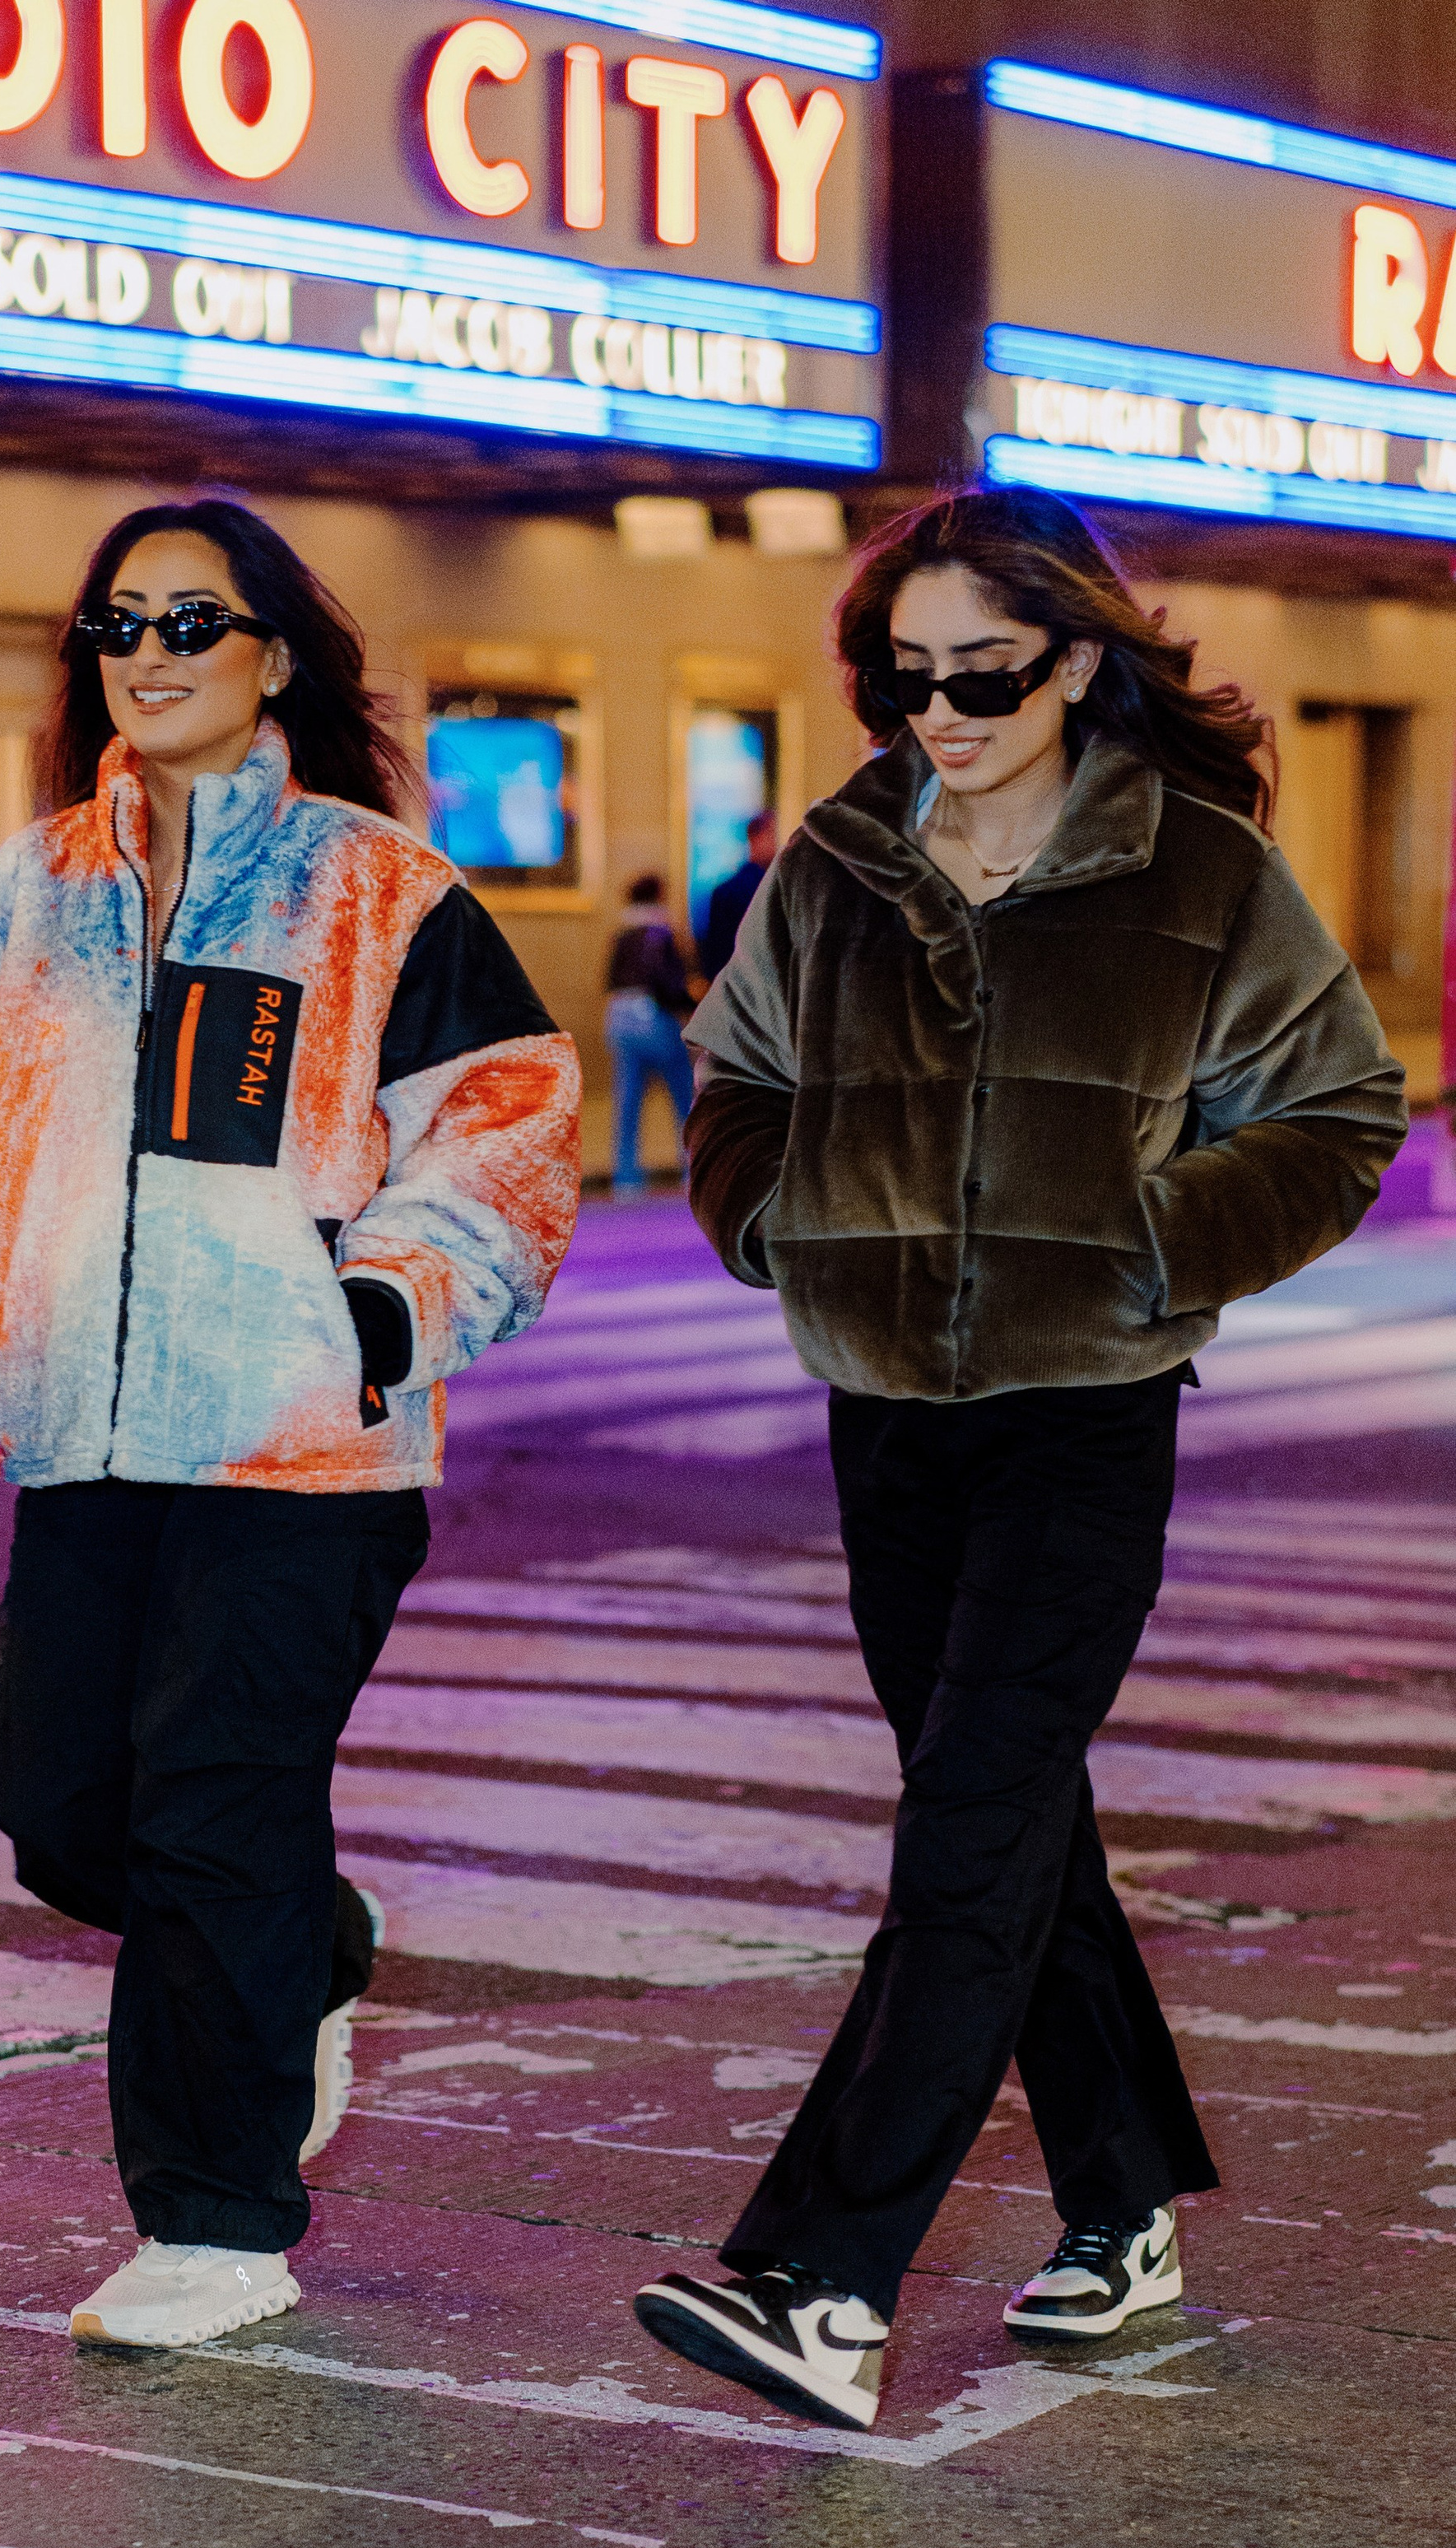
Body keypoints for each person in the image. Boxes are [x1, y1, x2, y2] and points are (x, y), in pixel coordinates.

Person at [633, 485, 1406, 2431]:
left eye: (979, 668)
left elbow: (1336, 1103)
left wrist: (1158, 1239)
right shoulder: (832, 858)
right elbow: (737, 1079)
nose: (940, 708)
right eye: (904, 675)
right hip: (884, 1411)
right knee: (1008, 1820)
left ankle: (821, 2274)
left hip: (1082, 1408)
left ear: (1073, 651)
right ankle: (1118, 2204)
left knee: (966, 1821)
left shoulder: (1194, 871)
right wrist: (770, 1219)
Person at [0, 496, 581, 2351]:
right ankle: (307, 1953)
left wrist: (387, 1303)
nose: (148, 656)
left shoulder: (379, 889)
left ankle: (216, 2226)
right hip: (87, 1450)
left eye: (189, 623)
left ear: (271, 662)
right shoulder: (19, 899)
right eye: (118, 624)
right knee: (58, 1801)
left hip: (302, 1455)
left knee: (220, 1810)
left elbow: (508, 1117)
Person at [602, 872, 695, 1199]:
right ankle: (693, 1169)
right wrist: (689, 1003)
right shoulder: (660, 930)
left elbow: (609, 980)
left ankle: (626, 1177)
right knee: (683, 1095)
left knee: (627, 1102)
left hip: (619, 1019)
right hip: (653, 1017)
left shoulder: (621, 933)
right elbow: (667, 981)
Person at [699, 808, 776, 980]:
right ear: (755, 838)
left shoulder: (726, 891)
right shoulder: (735, 891)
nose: (779, 841)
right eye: (772, 834)